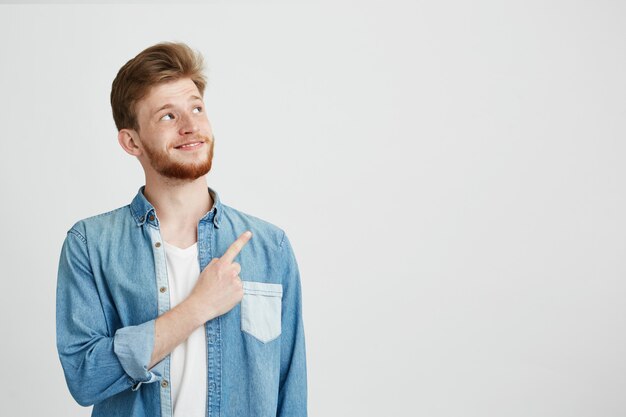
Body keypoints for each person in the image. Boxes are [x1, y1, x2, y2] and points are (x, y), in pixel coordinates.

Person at [55, 41, 307, 417]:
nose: (191, 127)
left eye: (196, 108)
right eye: (168, 116)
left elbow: (290, 390)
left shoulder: (271, 247)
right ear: (131, 141)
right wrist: (197, 308)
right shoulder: (90, 245)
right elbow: (85, 377)